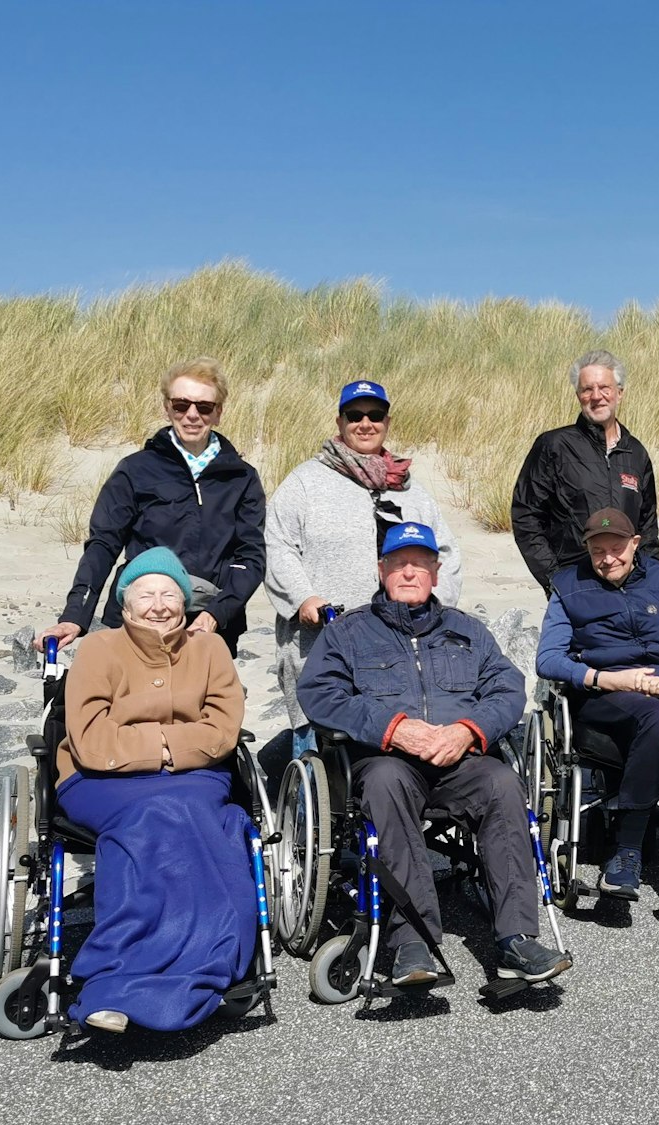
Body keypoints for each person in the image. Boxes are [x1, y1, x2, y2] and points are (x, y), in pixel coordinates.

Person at [296, 523, 571, 988]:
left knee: (503, 784)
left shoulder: (469, 631)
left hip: (460, 759)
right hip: (386, 759)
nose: (409, 573)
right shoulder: (348, 633)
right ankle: (412, 940)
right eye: (399, 564)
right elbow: (319, 695)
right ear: (381, 570)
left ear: (436, 573)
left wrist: (469, 730)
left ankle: (517, 939)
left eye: (420, 564)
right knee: (385, 783)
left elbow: (507, 689)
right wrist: (394, 729)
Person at [54, 546, 254, 1033]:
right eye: (146, 593)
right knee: (161, 814)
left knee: (204, 815)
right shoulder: (99, 649)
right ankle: (114, 979)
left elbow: (223, 732)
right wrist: (168, 749)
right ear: (125, 602)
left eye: (170, 592)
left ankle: (189, 967)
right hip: (100, 780)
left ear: (185, 600)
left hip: (197, 777)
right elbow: (92, 740)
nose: (159, 604)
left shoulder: (210, 649)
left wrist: (160, 749)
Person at [536, 507, 659, 899]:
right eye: (598, 551)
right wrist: (604, 678)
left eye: (616, 548)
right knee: (658, 718)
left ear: (634, 544)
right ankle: (627, 851)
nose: (608, 559)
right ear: (586, 549)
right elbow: (547, 658)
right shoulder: (568, 585)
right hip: (605, 693)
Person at [264, 379, 462, 745]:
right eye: (355, 415)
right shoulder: (305, 482)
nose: (365, 423)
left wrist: (439, 606)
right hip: (323, 642)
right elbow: (277, 545)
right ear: (340, 422)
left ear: (387, 422)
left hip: (400, 649)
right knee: (319, 743)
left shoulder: (410, 490)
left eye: (376, 415)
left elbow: (446, 554)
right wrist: (303, 599)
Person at [38, 357, 266, 656]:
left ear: (218, 413)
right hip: (138, 618)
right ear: (167, 408)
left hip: (210, 625)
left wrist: (216, 615)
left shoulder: (242, 477)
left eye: (204, 407)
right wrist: (74, 617)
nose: (192, 415)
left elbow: (250, 557)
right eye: (181, 405)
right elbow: (103, 545)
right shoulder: (135, 470)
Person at [510, 349, 659, 592]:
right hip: (574, 585)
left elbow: (648, 527)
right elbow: (526, 517)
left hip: (629, 588)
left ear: (619, 393)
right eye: (587, 389)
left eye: (604, 388)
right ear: (578, 395)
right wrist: (555, 579)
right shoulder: (554, 446)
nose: (596, 396)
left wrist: (649, 581)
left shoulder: (636, 453)